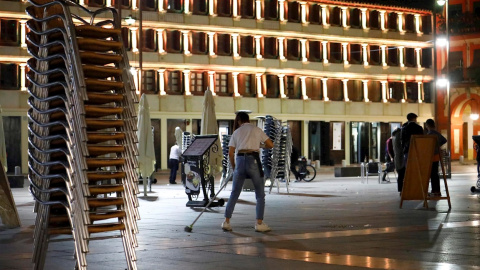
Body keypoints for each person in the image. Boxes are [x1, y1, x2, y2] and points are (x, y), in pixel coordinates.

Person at [222, 111, 274, 232]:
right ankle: (259, 223)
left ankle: (227, 221)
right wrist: (259, 145)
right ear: (248, 119)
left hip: (240, 160)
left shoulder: (236, 132)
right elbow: (270, 144)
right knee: (260, 194)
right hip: (253, 160)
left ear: (239, 121)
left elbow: (230, 153)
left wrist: (234, 167)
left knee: (234, 193)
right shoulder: (256, 130)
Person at [399, 113, 424, 193]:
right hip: (417, 151)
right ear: (414, 118)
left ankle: (407, 188)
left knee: (407, 170)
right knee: (417, 170)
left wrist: (404, 150)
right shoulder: (419, 128)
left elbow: (402, 141)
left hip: (407, 151)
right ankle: (417, 188)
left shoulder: (404, 128)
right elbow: (422, 140)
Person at [425, 119, 447, 197]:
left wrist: (433, 147)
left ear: (427, 125)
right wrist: (437, 146)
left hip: (431, 156)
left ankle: (435, 191)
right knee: (435, 173)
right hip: (437, 156)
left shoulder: (430, 134)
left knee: (432, 174)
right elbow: (444, 140)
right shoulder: (437, 133)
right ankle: (436, 190)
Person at [392, 127, 404, 192]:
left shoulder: (394, 137)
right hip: (401, 159)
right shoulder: (399, 136)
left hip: (397, 159)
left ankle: (400, 190)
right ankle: (402, 189)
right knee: (402, 175)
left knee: (400, 175)